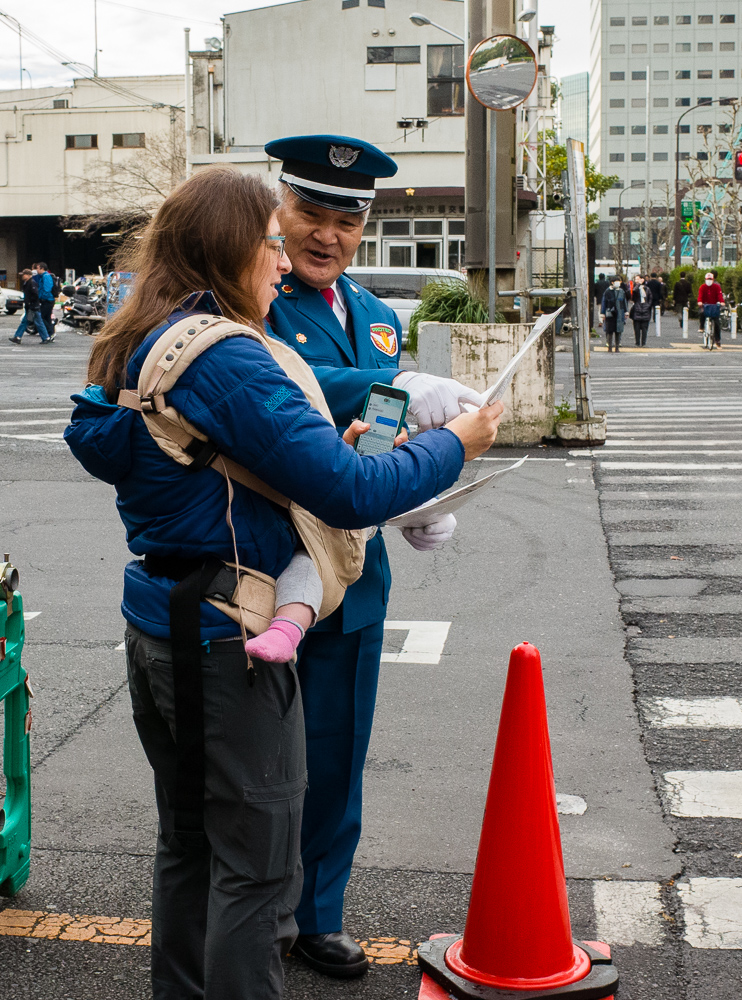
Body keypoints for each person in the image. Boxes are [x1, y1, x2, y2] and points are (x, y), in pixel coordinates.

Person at [64, 168, 503, 1000]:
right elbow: (349, 490)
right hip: (230, 633)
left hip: (164, 616)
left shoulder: (145, 336)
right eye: (272, 238)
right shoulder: (229, 353)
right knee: (260, 871)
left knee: (190, 844)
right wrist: (458, 445)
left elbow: (210, 464)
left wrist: (307, 450)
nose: (283, 258)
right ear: (233, 247)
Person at [264, 133, 486, 978]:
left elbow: (379, 442)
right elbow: (299, 390)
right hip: (269, 566)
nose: (327, 234)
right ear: (279, 210)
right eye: (311, 212)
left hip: (353, 573)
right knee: (260, 768)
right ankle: (263, 909)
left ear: (365, 226)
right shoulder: (252, 299)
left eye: (346, 220)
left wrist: (416, 500)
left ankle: (318, 913)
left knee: (337, 753)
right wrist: (390, 397)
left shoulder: (381, 319)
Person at [8, 268, 53, 344]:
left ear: (29, 275)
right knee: (26, 322)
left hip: (33, 307)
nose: (22, 276)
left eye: (24, 274)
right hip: (31, 307)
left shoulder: (31, 283)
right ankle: (17, 337)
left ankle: (46, 337)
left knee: (38, 322)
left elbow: (35, 294)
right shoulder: (27, 283)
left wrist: (30, 303)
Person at [599, 276, 627, 352]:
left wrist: (625, 311)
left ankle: (617, 347)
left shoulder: (621, 291)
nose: (619, 283)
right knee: (609, 330)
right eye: (617, 281)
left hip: (619, 313)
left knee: (618, 331)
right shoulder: (607, 291)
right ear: (612, 282)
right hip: (609, 313)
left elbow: (624, 302)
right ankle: (610, 347)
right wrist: (603, 313)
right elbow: (604, 302)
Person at [698, 270, 724, 348]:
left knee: (717, 323)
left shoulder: (717, 287)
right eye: (707, 279)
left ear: (713, 280)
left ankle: (717, 340)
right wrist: (700, 302)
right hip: (705, 305)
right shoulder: (702, 287)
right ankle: (701, 327)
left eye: (710, 279)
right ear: (705, 279)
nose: (709, 281)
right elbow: (700, 295)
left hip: (714, 306)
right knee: (702, 313)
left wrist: (722, 302)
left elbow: (719, 295)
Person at [630, 274, 654, 347]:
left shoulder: (647, 289)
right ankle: (637, 342)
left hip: (645, 311)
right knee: (636, 329)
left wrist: (648, 305)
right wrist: (638, 285)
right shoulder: (635, 288)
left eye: (638, 279)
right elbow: (633, 294)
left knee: (644, 329)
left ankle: (643, 342)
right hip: (637, 310)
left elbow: (650, 298)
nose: (636, 280)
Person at [35, 262, 56, 339]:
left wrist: (41, 297)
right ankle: (50, 334)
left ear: (42, 268)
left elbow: (47, 289)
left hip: (47, 300)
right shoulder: (43, 276)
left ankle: (50, 332)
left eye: (37, 268)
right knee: (47, 318)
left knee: (42, 317)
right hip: (47, 300)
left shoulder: (46, 276)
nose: (36, 270)